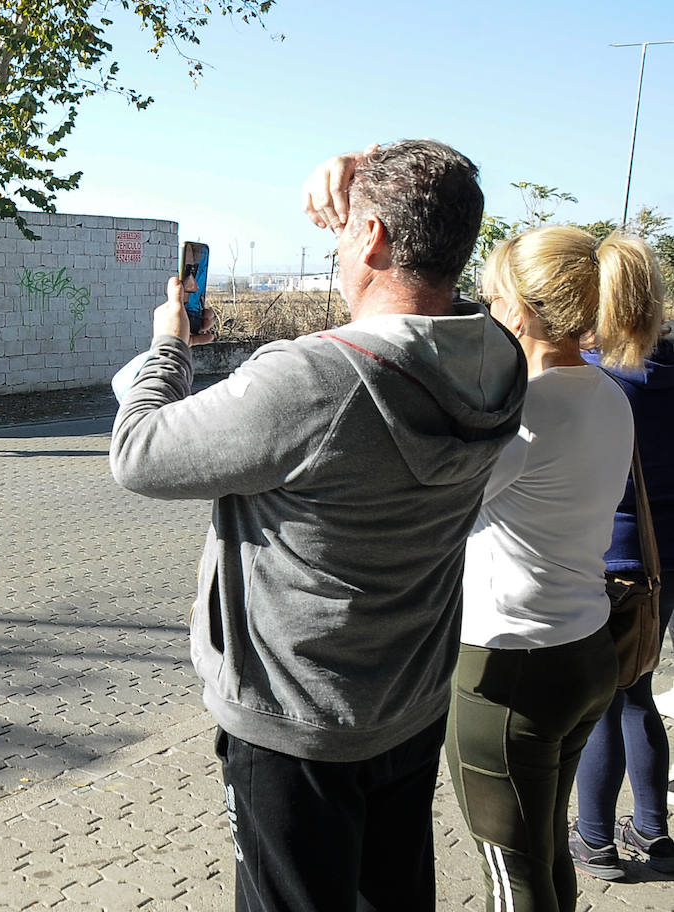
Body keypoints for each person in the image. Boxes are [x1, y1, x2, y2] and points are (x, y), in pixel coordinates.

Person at [110, 140, 527, 911]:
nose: (337, 249)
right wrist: (366, 166)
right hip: (409, 707)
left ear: (371, 238)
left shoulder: (314, 378)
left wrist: (168, 349)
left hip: (295, 726)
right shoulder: (499, 357)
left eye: (344, 233)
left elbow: (138, 454)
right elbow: (442, 292)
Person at [446, 226, 662, 911]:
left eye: (492, 297)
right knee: (542, 852)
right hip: (583, 652)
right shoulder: (607, 393)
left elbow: (439, 506)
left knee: (514, 875)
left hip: (509, 670)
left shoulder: (523, 413)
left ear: (520, 310)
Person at [572, 327, 674, 880]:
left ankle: (594, 839)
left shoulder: (596, 376)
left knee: (607, 697)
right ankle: (654, 828)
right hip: (666, 559)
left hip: (612, 556)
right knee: (641, 691)